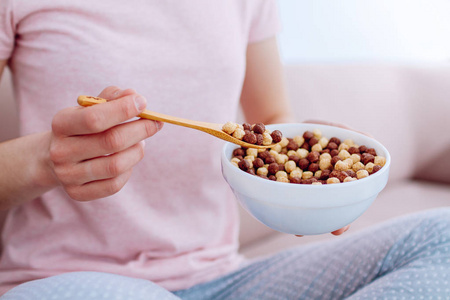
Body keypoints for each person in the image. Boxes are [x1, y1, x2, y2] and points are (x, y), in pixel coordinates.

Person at [0, 1, 449, 299]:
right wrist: (43, 161)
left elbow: (270, 121)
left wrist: (301, 169)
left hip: (226, 280)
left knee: (442, 237)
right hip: (68, 281)